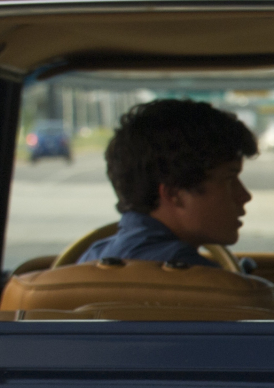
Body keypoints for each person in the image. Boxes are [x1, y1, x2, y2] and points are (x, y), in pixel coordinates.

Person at [80, 98, 255, 264]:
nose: (245, 196)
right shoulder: (196, 277)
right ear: (174, 194)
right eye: (229, 180)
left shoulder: (93, 256)